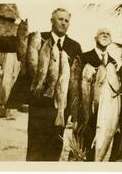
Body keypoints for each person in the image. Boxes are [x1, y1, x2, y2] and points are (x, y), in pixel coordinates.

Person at [26, 8, 82, 161]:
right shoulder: (38, 38)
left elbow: (76, 80)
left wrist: (73, 110)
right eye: (60, 19)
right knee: (35, 150)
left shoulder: (75, 46)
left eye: (66, 20)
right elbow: (28, 65)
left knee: (54, 151)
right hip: (39, 105)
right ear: (52, 21)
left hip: (61, 108)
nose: (63, 23)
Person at [80, 28, 116, 161]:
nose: (105, 35)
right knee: (80, 152)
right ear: (95, 38)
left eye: (108, 34)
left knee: (96, 152)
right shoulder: (84, 57)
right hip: (85, 112)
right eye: (102, 33)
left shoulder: (114, 63)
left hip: (103, 116)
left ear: (111, 41)